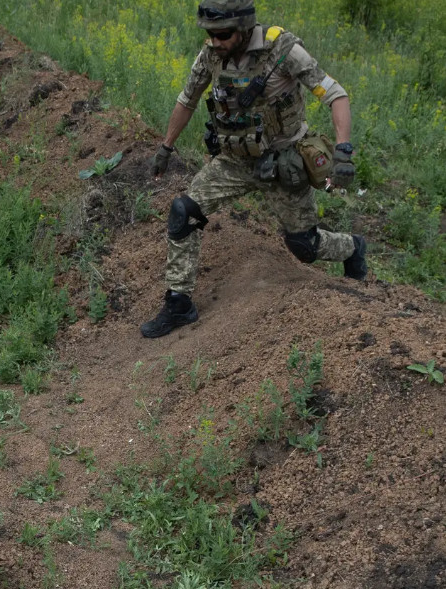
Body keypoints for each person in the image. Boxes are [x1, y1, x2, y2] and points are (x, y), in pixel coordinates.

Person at [141, 0, 366, 339]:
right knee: (184, 213)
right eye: (210, 34)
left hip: (282, 163)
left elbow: (336, 95)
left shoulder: (283, 50)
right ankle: (178, 303)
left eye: (223, 34)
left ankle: (352, 247)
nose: (215, 41)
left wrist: (344, 151)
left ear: (244, 27)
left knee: (304, 247)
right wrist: (165, 147)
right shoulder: (211, 55)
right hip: (233, 161)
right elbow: (187, 99)